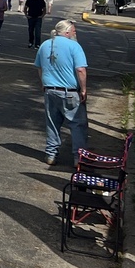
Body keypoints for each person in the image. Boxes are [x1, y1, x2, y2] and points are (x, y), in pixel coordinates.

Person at [35, 20, 89, 166]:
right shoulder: (74, 46)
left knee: (52, 123)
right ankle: (79, 158)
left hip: (50, 90)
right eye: (74, 31)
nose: (75, 33)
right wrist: (83, 89)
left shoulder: (45, 45)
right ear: (67, 32)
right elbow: (80, 69)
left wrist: (43, 83)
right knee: (77, 124)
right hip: (69, 92)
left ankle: (51, 154)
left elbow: (39, 67)